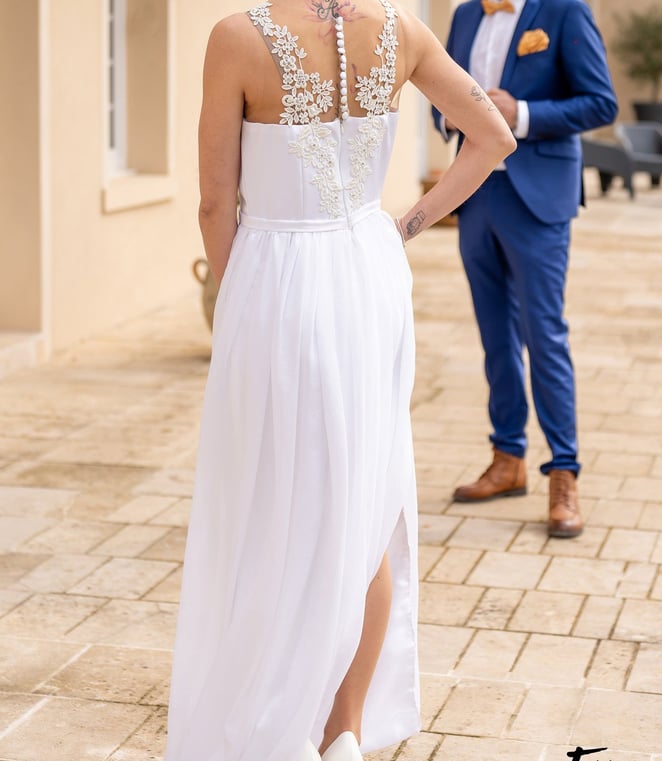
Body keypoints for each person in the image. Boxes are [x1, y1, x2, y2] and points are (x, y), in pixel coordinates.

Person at [163, 1, 515, 760]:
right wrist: (405, 224)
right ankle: (343, 728)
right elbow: (494, 136)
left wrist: (241, 303)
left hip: (279, 274)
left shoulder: (236, 39)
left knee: (271, 499)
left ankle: (273, 719)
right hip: (369, 269)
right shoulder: (405, 32)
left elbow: (214, 203)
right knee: (365, 499)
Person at [432, 0, 617, 538]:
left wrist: (521, 113)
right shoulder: (466, 14)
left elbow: (600, 103)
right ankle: (507, 457)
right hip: (475, 194)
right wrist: (454, 113)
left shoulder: (564, 10)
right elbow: (439, 96)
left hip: (538, 196)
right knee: (495, 336)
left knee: (545, 335)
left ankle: (564, 473)